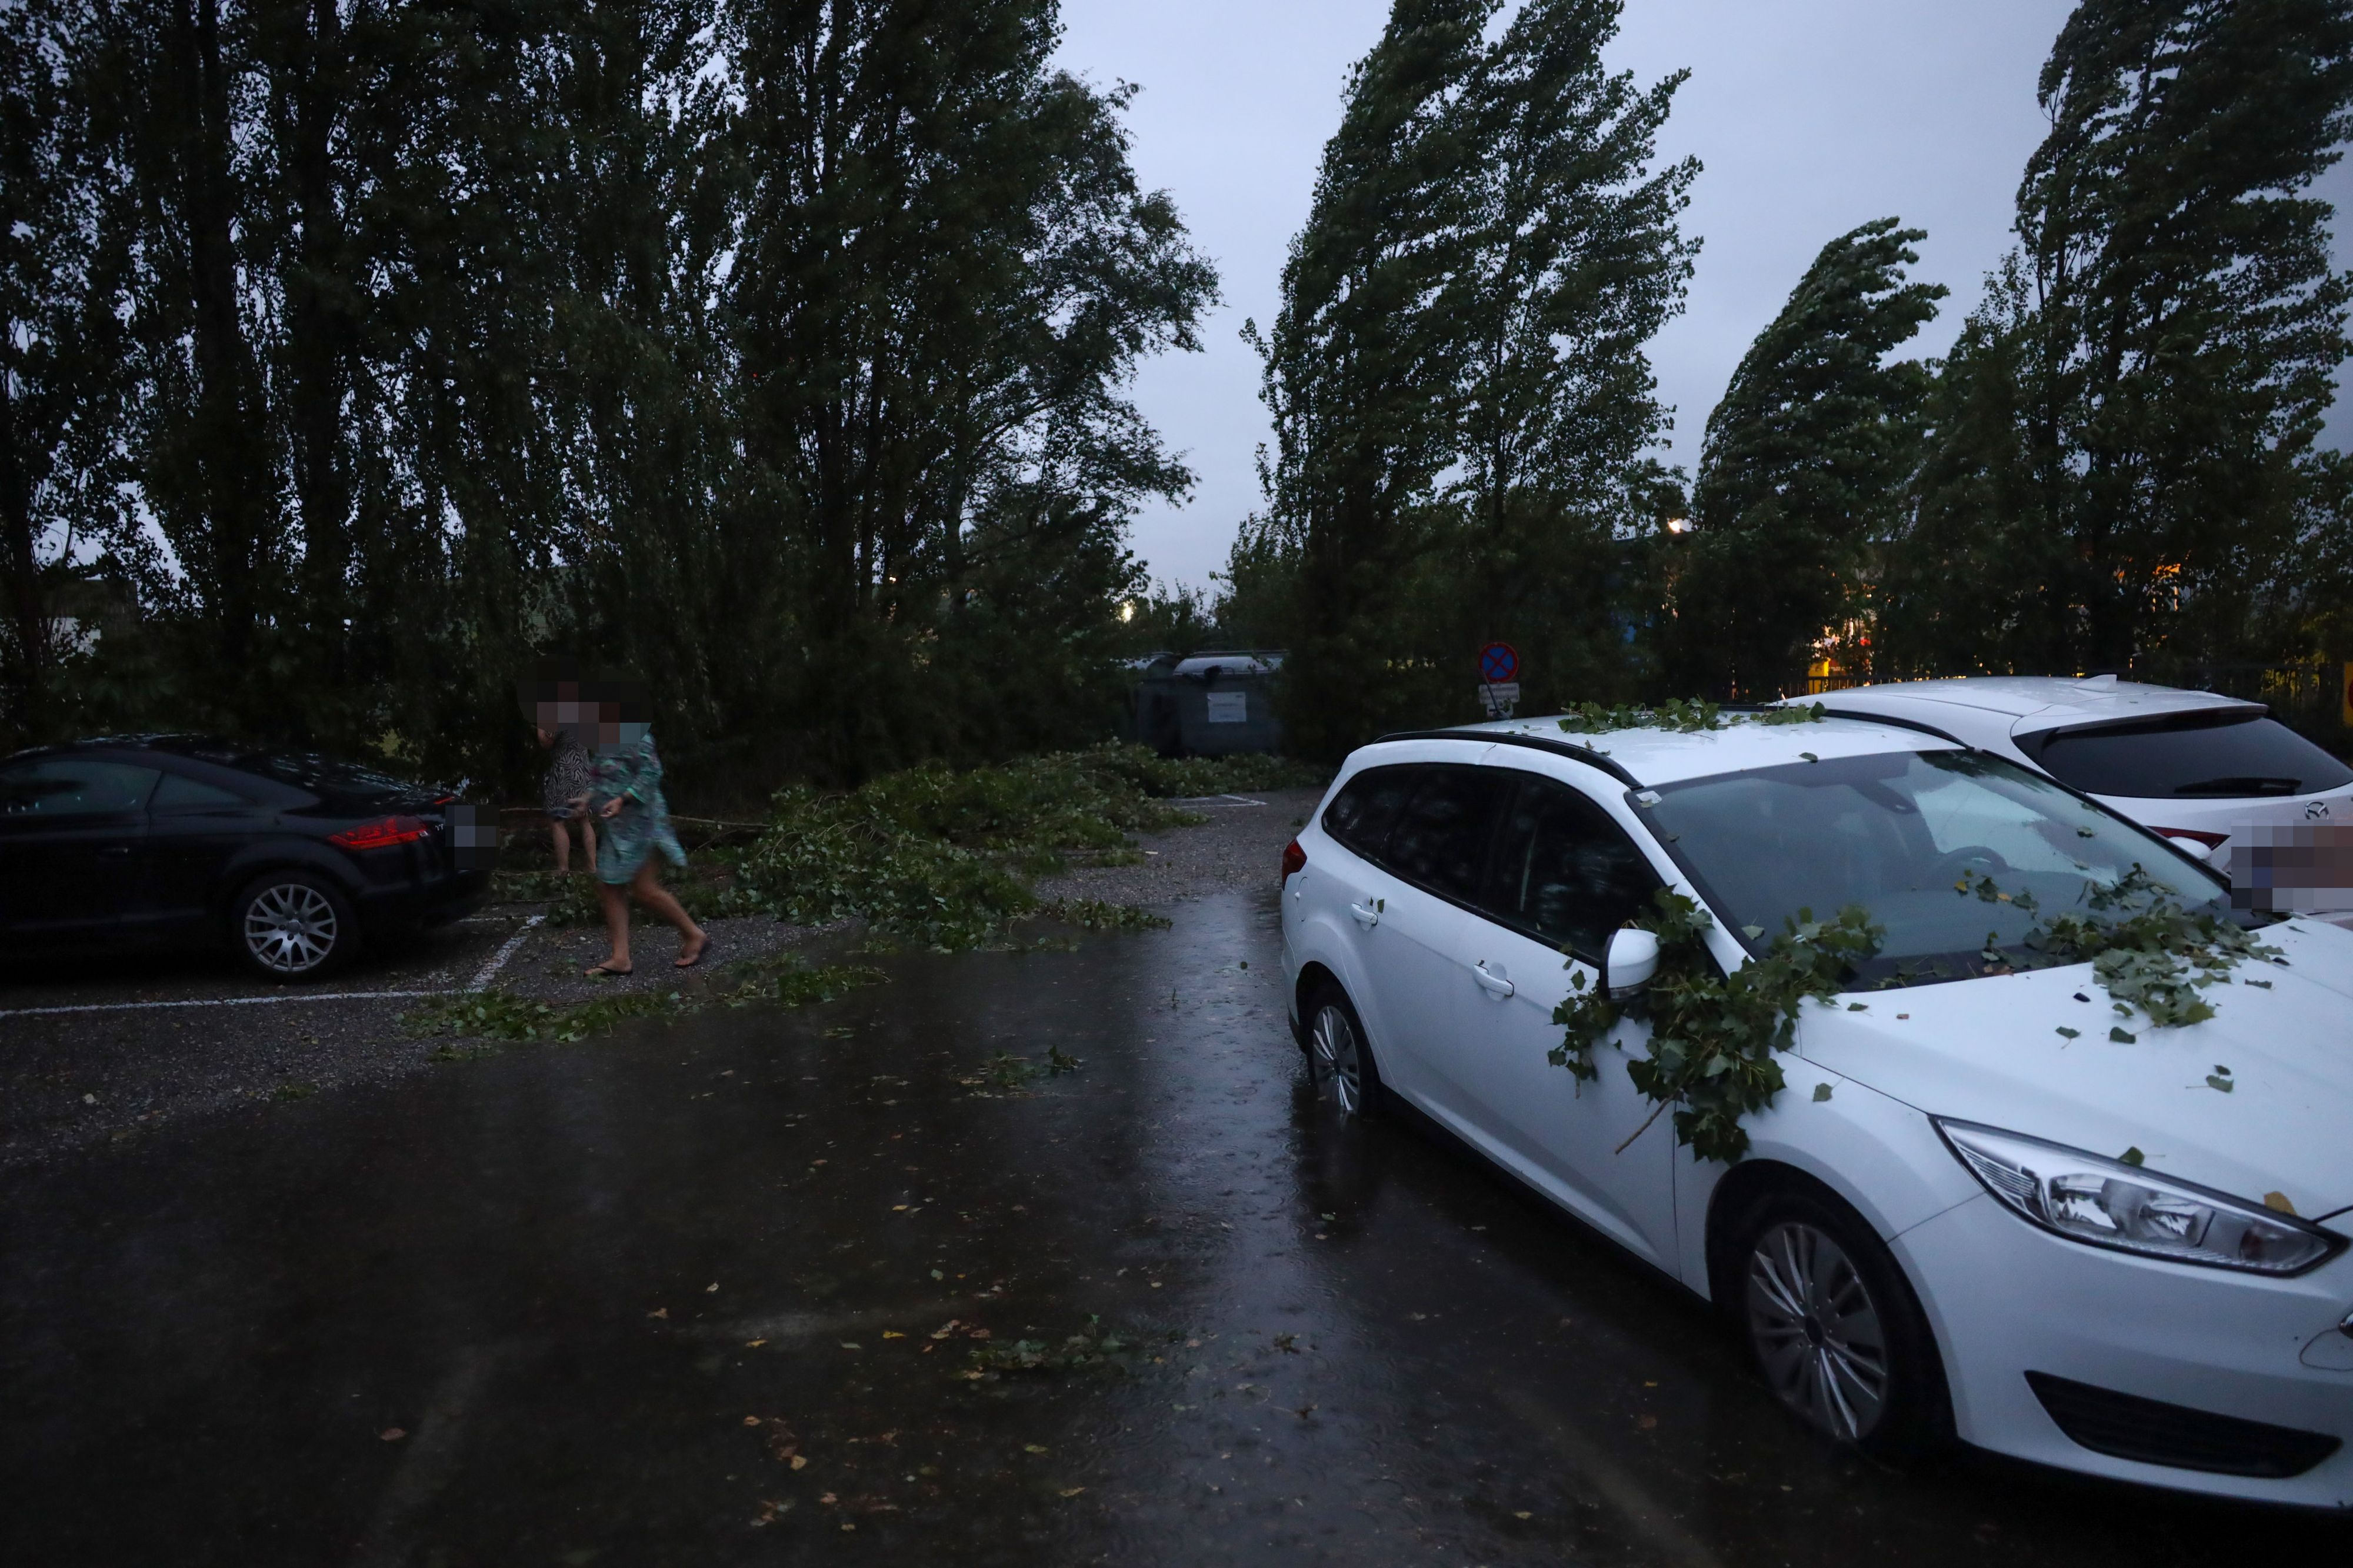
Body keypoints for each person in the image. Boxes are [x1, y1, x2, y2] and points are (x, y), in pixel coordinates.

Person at [581, 693, 707, 977]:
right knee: (609, 886)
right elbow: (603, 779)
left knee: (644, 889)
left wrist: (623, 800)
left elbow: (651, 773)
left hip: (644, 826)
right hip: (617, 830)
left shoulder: (636, 736)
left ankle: (694, 934)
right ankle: (621, 958)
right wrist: (586, 799)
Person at [535, 716, 597, 875]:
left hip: (565, 770)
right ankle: (592, 866)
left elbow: (546, 742)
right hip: (583, 768)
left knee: (557, 820)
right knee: (584, 819)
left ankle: (563, 869)